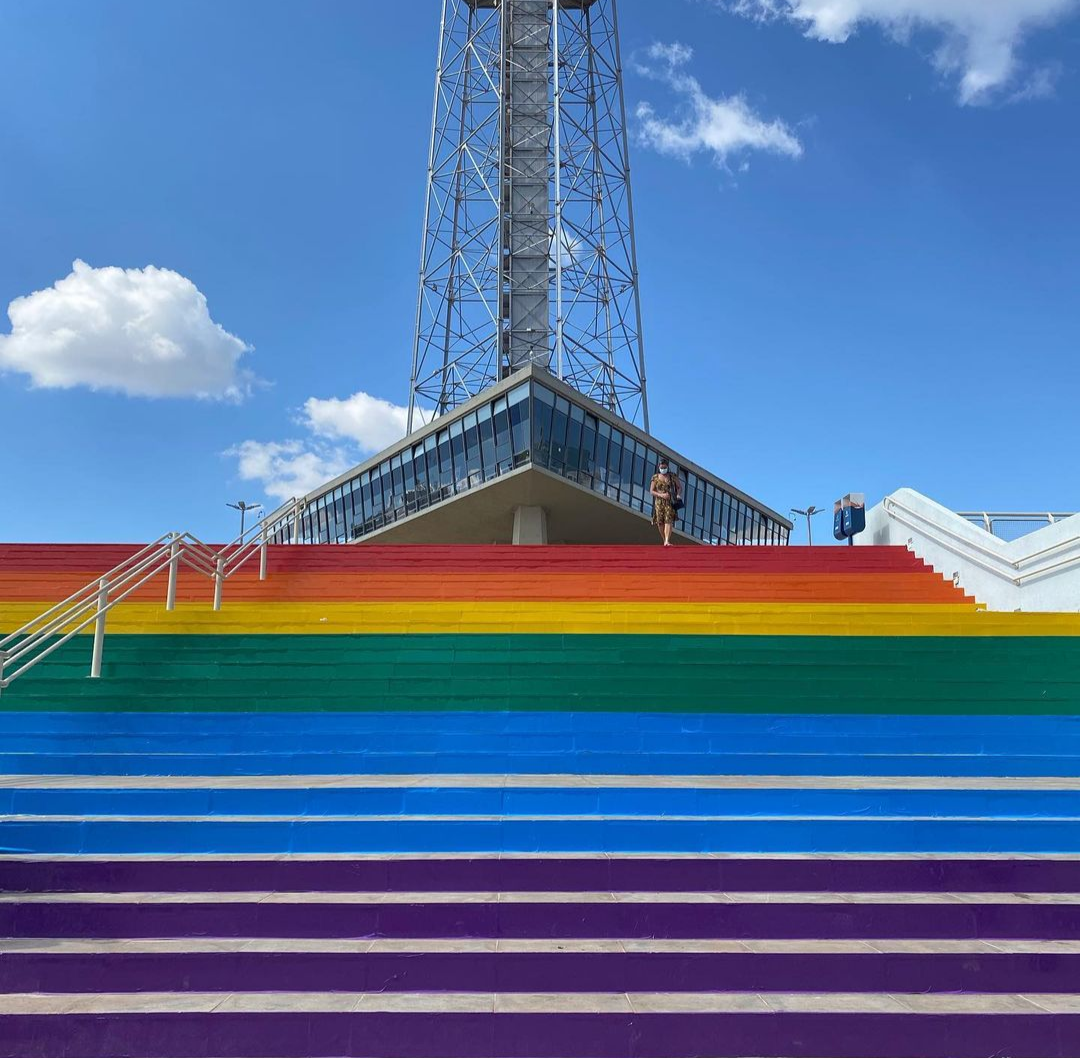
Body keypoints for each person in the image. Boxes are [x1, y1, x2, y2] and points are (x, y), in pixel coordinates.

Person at [650, 457, 682, 547]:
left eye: (664, 467)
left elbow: (679, 487)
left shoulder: (673, 476)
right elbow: (652, 491)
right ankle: (664, 539)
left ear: (667, 467)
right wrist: (661, 495)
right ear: (659, 467)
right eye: (661, 467)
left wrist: (678, 495)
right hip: (659, 501)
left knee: (668, 520)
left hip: (670, 501)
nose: (663, 469)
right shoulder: (655, 477)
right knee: (660, 522)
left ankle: (667, 540)